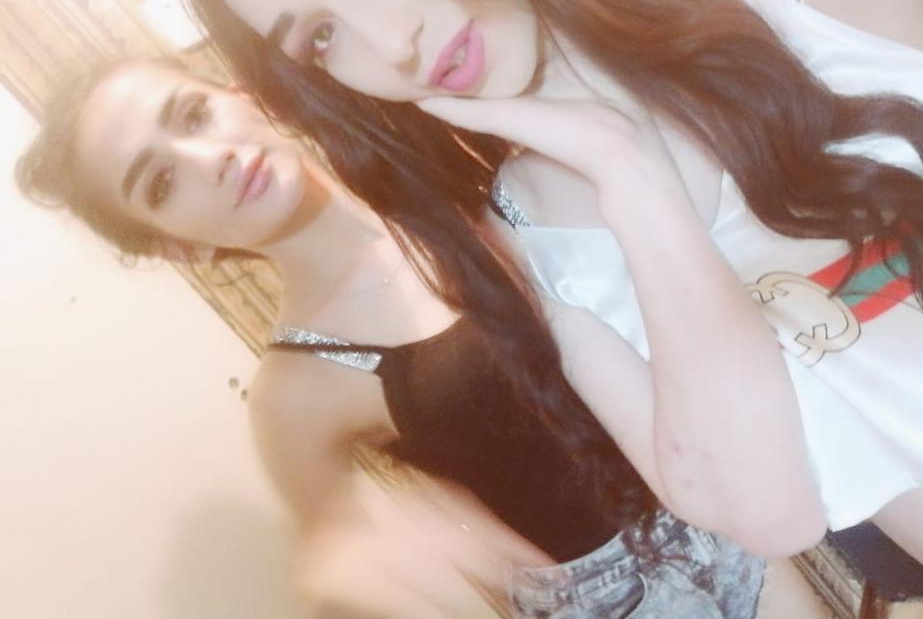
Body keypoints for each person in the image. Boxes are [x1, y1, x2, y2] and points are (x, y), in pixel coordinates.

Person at [161, 0, 923, 615]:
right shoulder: (534, 229)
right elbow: (772, 511)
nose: (390, 43)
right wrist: (630, 176)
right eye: (320, 37)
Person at [16, 57, 765, 618]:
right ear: (182, 247)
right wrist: (360, 565)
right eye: (160, 183)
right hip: (623, 599)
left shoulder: (441, 164)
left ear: (241, 97)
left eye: (192, 115)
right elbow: (335, 554)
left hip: (732, 454)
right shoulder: (293, 391)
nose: (208, 160)